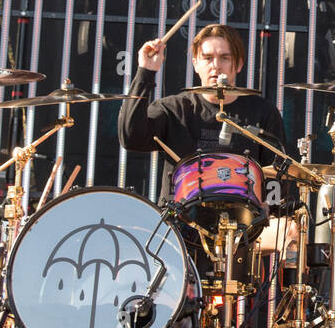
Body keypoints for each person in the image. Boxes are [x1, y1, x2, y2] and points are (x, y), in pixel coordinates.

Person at [119, 23, 295, 253]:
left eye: (224, 57)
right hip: (180, 228)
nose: (216, 66)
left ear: (238, 64)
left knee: (291, 232)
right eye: (208, 57)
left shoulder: (262, 112)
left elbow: (278, 171)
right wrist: (146, 71)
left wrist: (268, 207)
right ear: (195, 63)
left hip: (241, 230)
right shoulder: (174, 109)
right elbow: (129, 136)